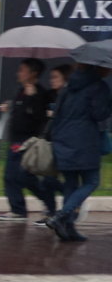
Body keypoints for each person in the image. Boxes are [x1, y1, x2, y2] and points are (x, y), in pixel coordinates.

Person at [44, 63, 112, 242]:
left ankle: (68, 228)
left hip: (63, 139)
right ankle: (62, 215)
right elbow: (99, 114)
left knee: (70, 184)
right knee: (92, 181)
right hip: (85, 141)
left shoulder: (69, 85)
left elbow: (58, 112)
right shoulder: (99, 86)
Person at [0, 58, 62, 222]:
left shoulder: (40, 93)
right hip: (15, 141)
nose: (19, 73)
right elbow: (20, 110)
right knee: (10, 177)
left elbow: (40, 117)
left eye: (23, 70)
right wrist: (9, 106)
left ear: (33, 73)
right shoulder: (20, 90)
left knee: (24, 176)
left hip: (29, 142)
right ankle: (18, 210)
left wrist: (33, 97)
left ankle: (50, 205)